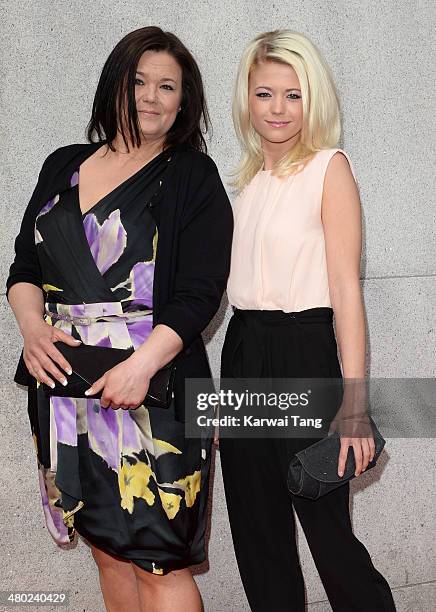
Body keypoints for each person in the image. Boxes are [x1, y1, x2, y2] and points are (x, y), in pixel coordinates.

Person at [6, 26, 233, 612]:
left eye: (167, 86)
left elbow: (199, 295)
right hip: (64, 386)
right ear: (115, 86)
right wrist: (32, 329)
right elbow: (24, 265)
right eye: (138, 81)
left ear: (185, 102)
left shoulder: (192, 177)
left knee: (159, 559)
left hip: (154, 387)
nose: (151, 97)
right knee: (108, 548)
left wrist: (140, 368)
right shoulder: (62, 166)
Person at [218, 30, 396, 611]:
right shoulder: (241, 186)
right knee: (257, 535)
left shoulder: (329, 168)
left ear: (312, 99)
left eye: (293, 95)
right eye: (265, 93)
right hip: (243, 352)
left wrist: (354, 403)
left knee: (330, 537)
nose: (277, 109)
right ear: (247, 98)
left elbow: (346, 289)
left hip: (306, 352)